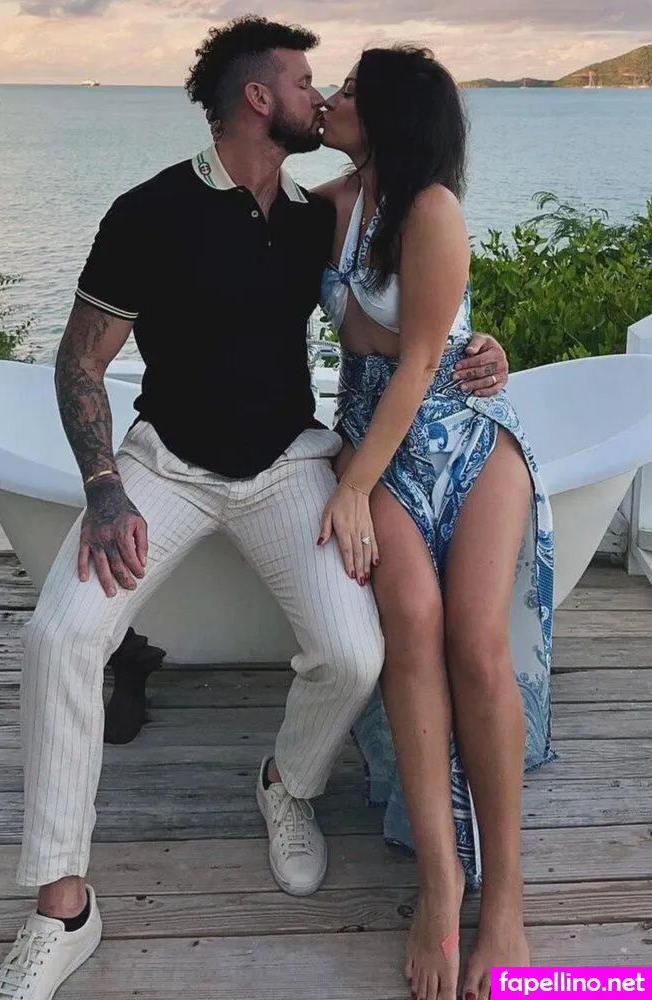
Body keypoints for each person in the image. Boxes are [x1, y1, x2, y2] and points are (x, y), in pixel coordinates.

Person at [0, 18, 511, 1000]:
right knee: (59, 635)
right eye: (307, 82)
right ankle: (62, 909)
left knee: (353, 651)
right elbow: (80, 361)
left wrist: (481, 348)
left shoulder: (320, 214)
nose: (322, 96)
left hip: (288, 462)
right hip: (163, 464)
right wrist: (102, 489)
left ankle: (286, 784)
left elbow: (415, 307)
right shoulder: (148, 211)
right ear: (259, 98)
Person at [311, 46, 555, 1000]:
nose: (331, 100)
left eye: (348, 91)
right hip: (374, 436)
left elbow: (421, 362)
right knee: (409, 622)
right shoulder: (330, 207)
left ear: (389, 115)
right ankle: (439, 883)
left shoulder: (432, 210)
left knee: (475, 641)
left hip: (460, 433)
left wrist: (349, 486)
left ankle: (506, 902)